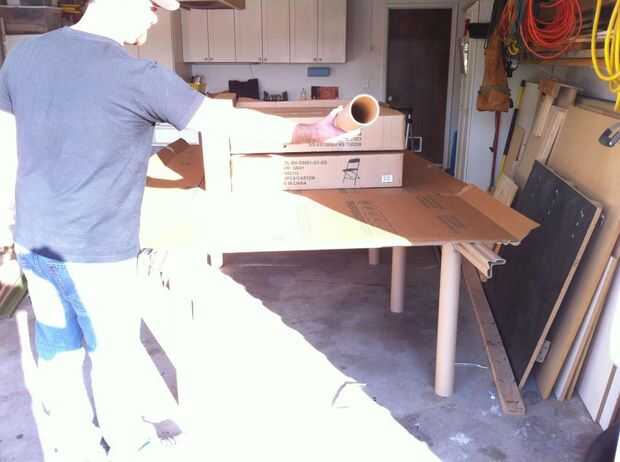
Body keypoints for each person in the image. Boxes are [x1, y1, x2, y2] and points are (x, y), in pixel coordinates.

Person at [0, 0, 345, 460]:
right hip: (98, 253)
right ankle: (130, 446)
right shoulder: (137, 76)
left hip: (33, 242)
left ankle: (71, 449)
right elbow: (223, 123)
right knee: (113, 357)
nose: (155, 18)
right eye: (152, 7)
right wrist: (313, 132)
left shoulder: (24, 57)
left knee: (57, 354)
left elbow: (5, 146)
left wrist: (6, 226)